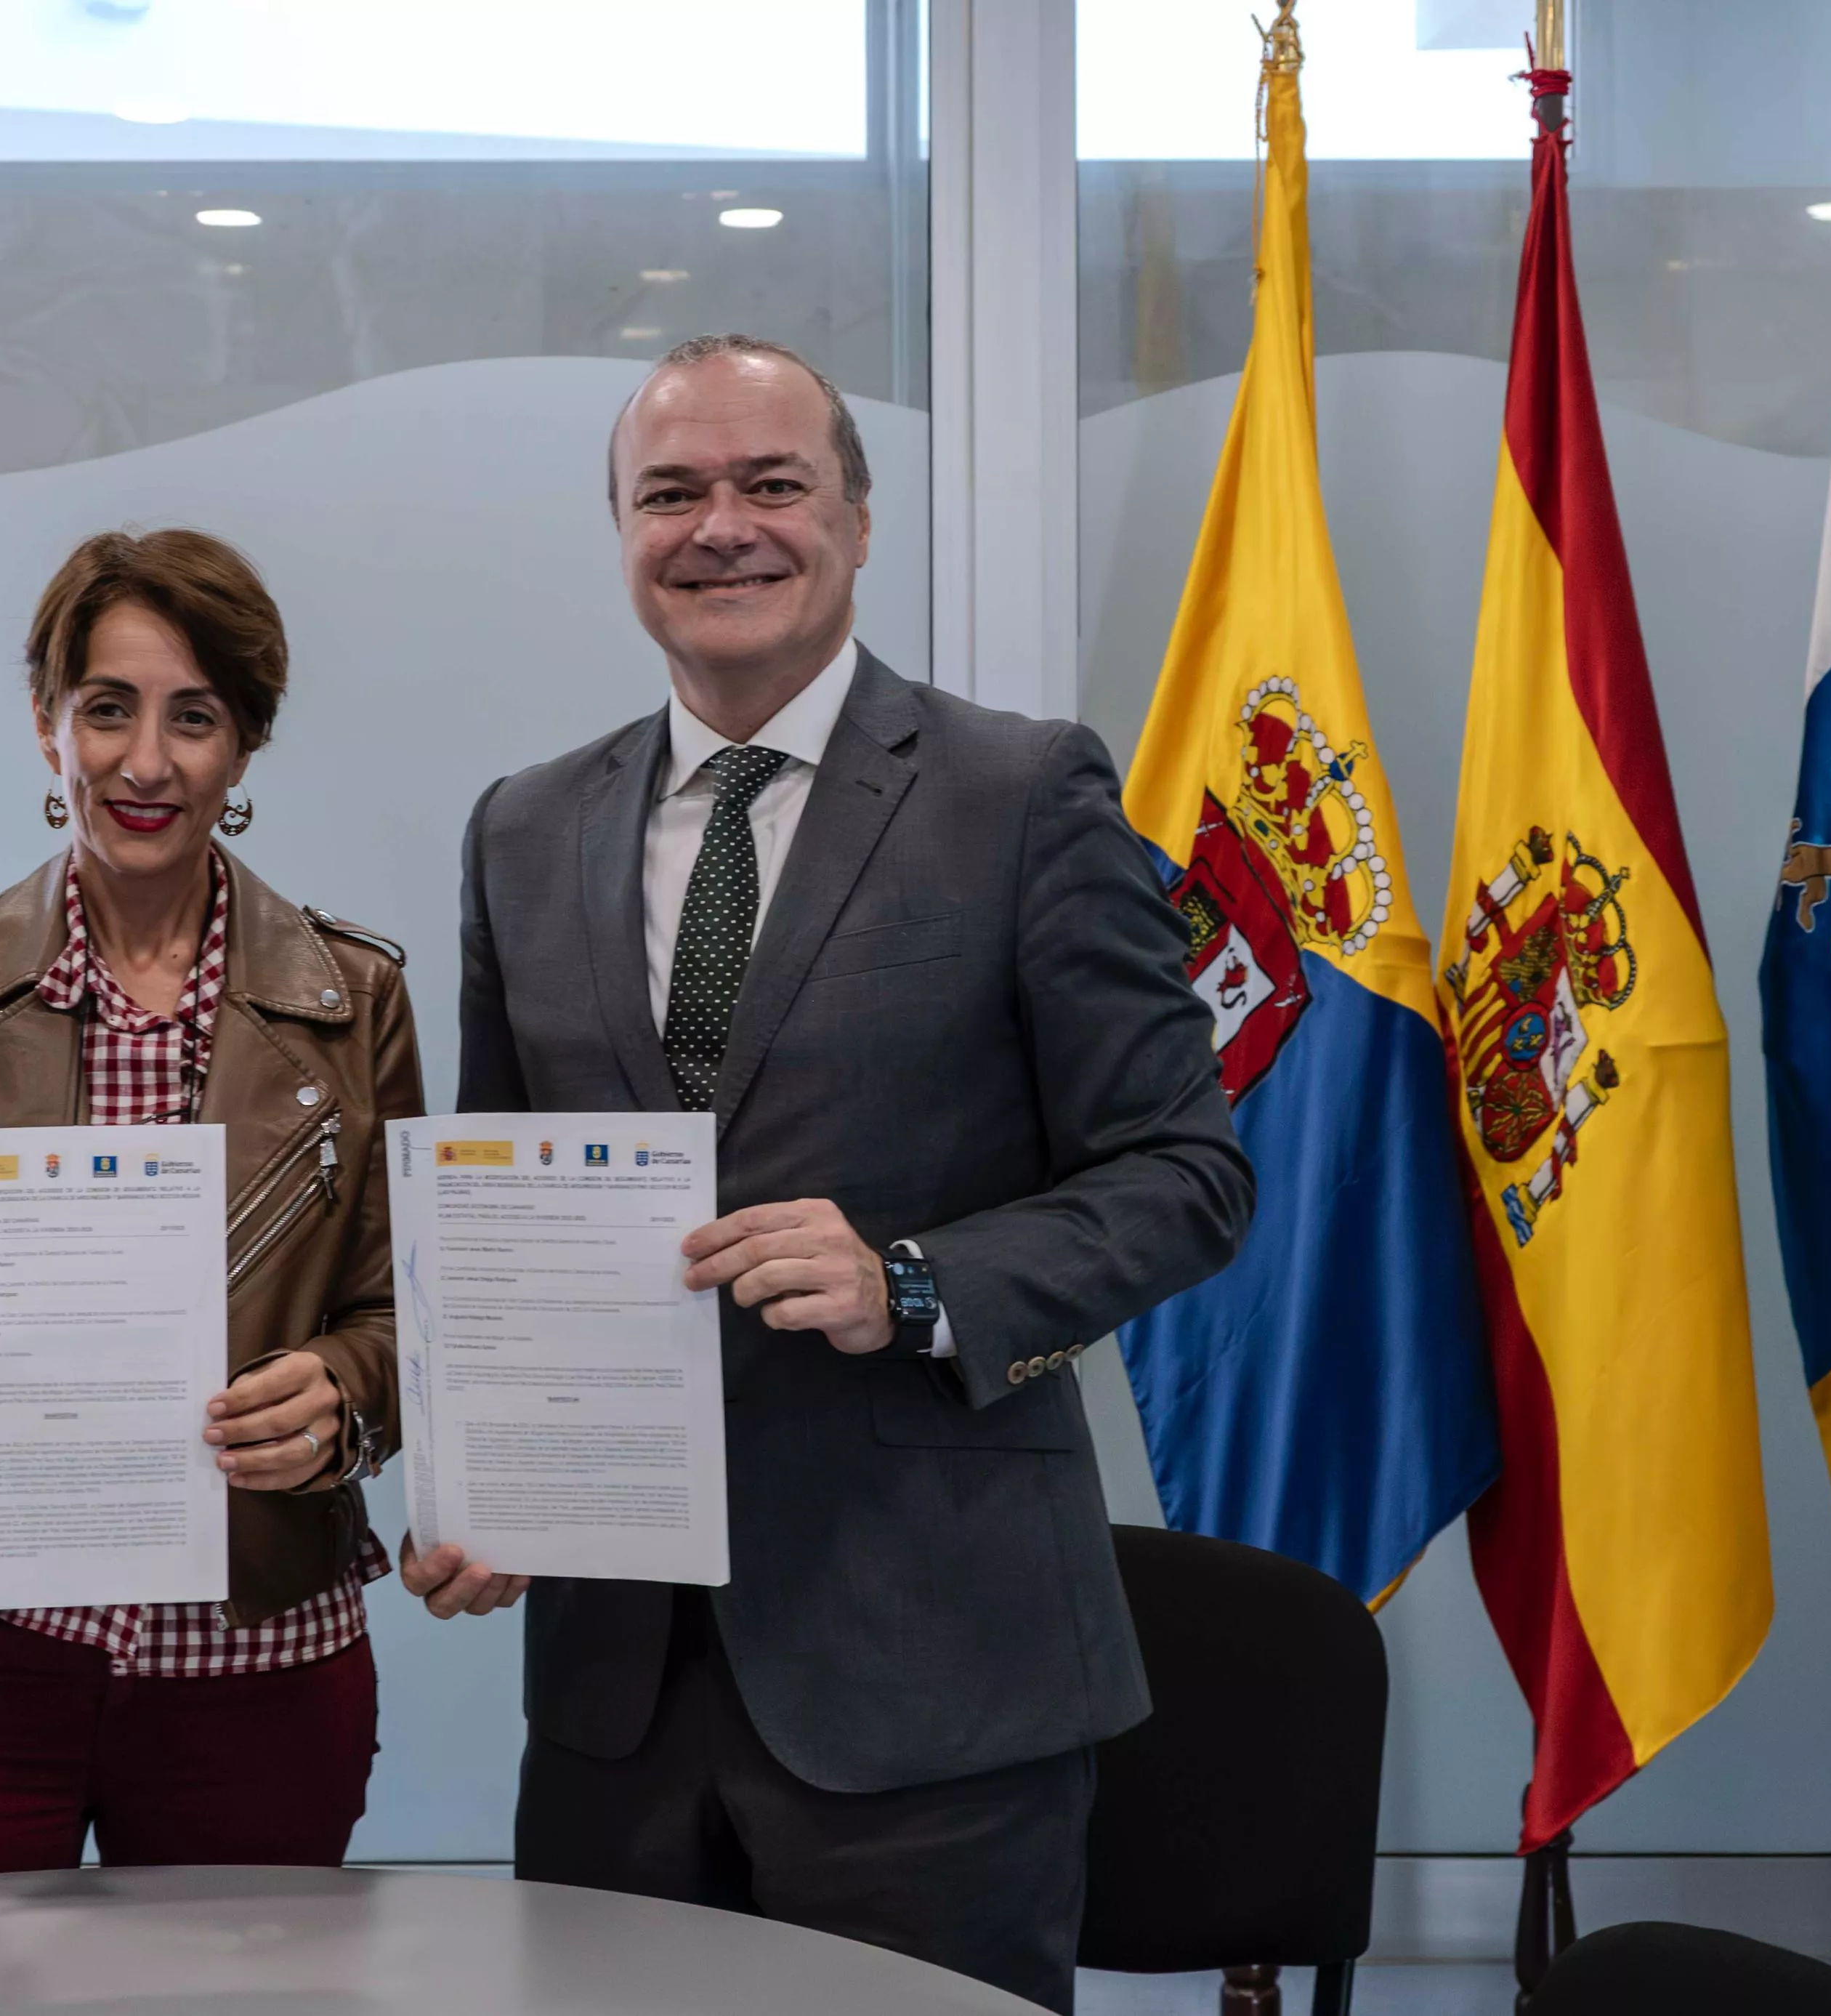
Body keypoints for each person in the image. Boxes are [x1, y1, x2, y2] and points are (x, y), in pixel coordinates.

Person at [411, 334, 1253, 2010]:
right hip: (614, 1696)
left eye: (770, 483)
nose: (721, 525)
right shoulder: (522, 830)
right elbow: (501, 1206)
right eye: (671, 493)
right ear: (622, 535)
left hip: (928, 1684)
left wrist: (914, 1281)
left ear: (857, 523)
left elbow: (1183, 1173)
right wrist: (484, 1471)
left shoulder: (1022, 794)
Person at [0, 528, 421, 1887]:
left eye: (196, 717)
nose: (145, 762)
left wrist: (341, 1396)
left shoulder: (355, 1001)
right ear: (46, 724)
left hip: (253, 1659)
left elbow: (401, 1315)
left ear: (244, 748)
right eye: (107, 708)